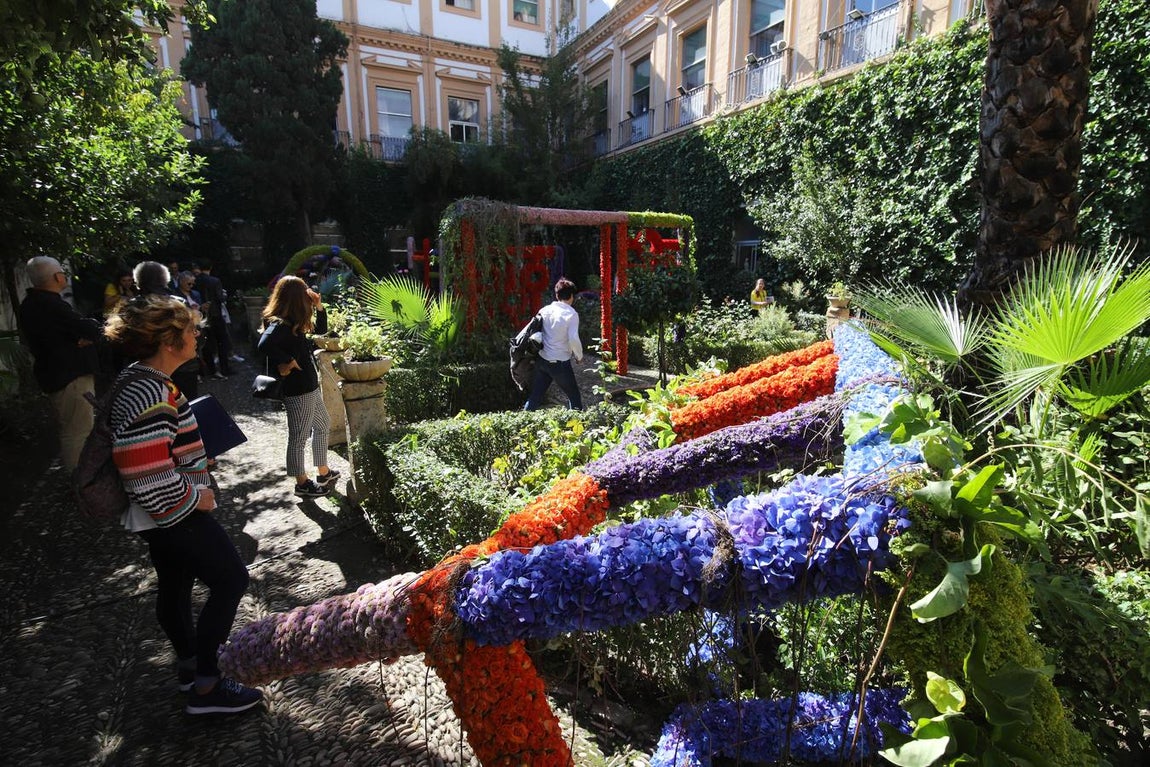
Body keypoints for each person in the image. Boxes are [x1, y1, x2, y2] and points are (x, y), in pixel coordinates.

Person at [103, 295, 261, 715]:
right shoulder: (150, 390)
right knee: (230, 580)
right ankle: (209, 687)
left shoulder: (139, 378)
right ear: (170, 341)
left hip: (164, 514)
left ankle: (191, 665)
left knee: (174, 585)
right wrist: (196, 496)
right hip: (175, 513)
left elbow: (154, 450)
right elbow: (144, 473)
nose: (198, 336)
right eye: (191, 330)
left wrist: (191, 455)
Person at [256, 276, 338, 498]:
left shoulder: (293, 321)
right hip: (297, 389)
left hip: (308, 385)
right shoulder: (280, 323)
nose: (308, 294)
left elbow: (321, 331)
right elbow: (263, 344)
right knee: (298, 437)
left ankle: (324, 472)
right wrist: (287, 361)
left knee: (323, 425)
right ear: (294, 297)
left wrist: (319, 306)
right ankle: (302, 483)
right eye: (304, 291)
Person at [19, 256, 103, 471]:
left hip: (57, 373)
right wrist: (82, 336)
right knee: (78, 430)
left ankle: (82, 478)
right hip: (70, 376)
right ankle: (81, 482)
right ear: (57, 276)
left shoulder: (32, 304)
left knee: (76, 427)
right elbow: (89, 329)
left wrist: (80, 337)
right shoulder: (50, 304)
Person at [135, 261, 199, 400]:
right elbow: (193, 331)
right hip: (180, 364)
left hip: (142, 366)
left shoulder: (133, 306)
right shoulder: (177, 303)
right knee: (186, 405)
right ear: (165, 279)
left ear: (138, 280)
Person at [524, 277, 584, 411]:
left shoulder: (545, 310)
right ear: (572, 296)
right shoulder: (571, 314)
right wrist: (579, 356)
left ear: (557, 295)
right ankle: (577, 428)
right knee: (574, 397)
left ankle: (523, 423)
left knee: (535, 396)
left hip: (542, 359)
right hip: (560, 363)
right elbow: (573, 338)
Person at [195, 261, 234, 379]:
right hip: (215, 315)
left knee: (206, 344)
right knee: (222, 342)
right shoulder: (214, 281)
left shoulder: (195, 281)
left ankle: (211, 370)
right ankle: (224, 368)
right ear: (210, 267)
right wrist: (224, 296)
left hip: (200, 316)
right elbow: (220, 298)